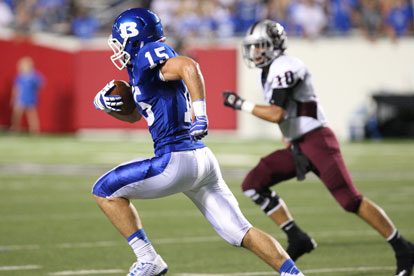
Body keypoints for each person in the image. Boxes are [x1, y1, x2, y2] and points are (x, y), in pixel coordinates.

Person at [92, 8, 307, 276]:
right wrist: (109, 106)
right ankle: (294, 274)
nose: (117, 48)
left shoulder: (149, 54)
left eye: (119, 41)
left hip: (174, 160)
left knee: (104, 190)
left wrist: (200, 114)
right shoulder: (141, 69)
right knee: (241, 232)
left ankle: (148, 258)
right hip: (202, 160)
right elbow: (138, 114)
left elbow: (188, 66)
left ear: (133, 38)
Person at [222, 19, 414, 276]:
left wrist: (241, 104)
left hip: (317, 140)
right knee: (254, 182)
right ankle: (296, 235)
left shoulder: (286, 66)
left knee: (350, 200)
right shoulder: (265, 72)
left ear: (275, 45)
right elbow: (287, 114)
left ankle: (403, 247)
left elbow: (278, 113)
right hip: (299, 144)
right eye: (253, 47)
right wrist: (288, 138)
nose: (255, 52)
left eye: (260, 46)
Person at [10, 56, 44, 134]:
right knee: (17, 114)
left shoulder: (34, 75)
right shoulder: (20, 76)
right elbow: (16, 88)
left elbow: (40, 85)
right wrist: (13, 97)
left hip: (31, 98)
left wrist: (36, 90)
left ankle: (34, 130)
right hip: (20, 98)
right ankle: (15, 128)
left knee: (32, 115)